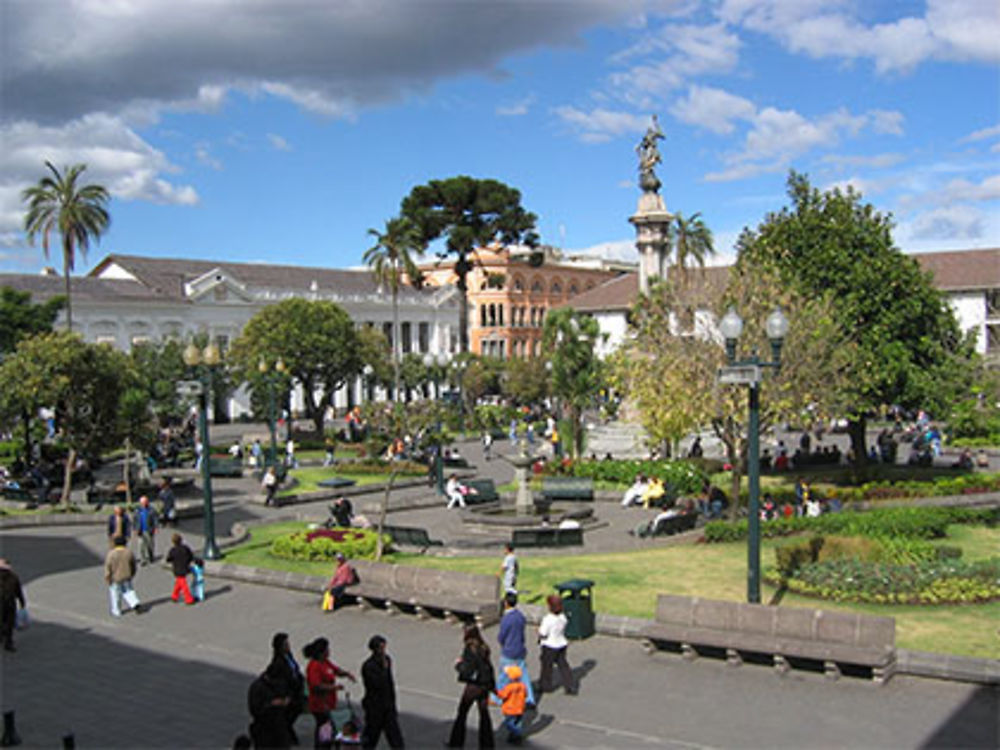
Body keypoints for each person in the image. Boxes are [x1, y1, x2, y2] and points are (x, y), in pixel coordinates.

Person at [446, 624, 496, 749]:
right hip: (485, 684)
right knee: (484, 714)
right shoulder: (484, 647)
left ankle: (456, 741)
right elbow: (488, 667)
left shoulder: (470, 649)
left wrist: (458, 665)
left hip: (474, 686)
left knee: (462, 712)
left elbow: (467, 670)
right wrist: (492, 685)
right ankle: (487, 745)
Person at [303, 637, 356, 749]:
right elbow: (316, 686)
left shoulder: (325, 662)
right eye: (327, 649)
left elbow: (335, 670)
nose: (329, 651)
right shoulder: (314, 666)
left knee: (328, 729)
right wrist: (333, 687)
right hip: (320, 705)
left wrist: (347, 674)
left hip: (329, 704)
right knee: (324, 730)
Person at [360, 634, 404, 749]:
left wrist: (393, 704)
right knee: (371, 736)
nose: (383, 651)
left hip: (387, 706)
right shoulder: (369, 666)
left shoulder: (387, 660)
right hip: (375, 707)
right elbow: (378, 684)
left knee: (395, 738)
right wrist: (384, 670)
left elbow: (390, 684)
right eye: (381, 648)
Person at [496, 593, 535, 708]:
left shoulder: (506, 619)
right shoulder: (520, 616)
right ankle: (529, 698)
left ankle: (499, 697)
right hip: (520, 649)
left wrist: (502, 643)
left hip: (509, 650)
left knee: (504, 675)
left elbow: (501, 636)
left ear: (506, 603)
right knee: (523, 675)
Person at [268, 632, 305, 745]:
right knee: (288, 715)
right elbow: (278, 680)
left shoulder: (289, 656)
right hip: (289, 693)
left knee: (295, 712)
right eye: (285, 644)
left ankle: (287, 734)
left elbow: (295, 669)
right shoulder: (278, 663)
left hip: (296, 691)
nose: (288, 646)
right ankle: (286, 735)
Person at [248, 661, 293, 750]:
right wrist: (271, 704)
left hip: (279, 726)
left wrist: (287, 700)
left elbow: (288, 694)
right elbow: (255, 709)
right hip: (263, 728)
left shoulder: (280, 684)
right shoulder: (258, 687)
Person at [538, 594, 576, 696]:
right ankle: (570, 685)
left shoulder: (548, 619)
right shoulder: (563, 617)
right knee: (563, 665)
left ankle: (545, 686)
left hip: (549, 645)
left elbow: (543, 633)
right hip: (561, 643)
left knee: (546, 667)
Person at [104, 536, 142, 616]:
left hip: (115, 578)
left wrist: (107, 576)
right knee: (129, 591)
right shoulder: (129, 552)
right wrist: (132, 573)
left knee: (115, 594)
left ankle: (116, 610)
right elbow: (133, 565)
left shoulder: (112, 554)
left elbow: (108, 566)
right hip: (127, 575)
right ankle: (135, 603)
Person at [495, 665, 527, 745]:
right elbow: (525, 694)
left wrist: (496, 692)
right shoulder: (522, 686)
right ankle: (514, 736)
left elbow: (502, 695)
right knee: (518, 722)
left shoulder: (509, 687)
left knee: (509, 723)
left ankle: (516, 734)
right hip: (520, 708)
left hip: (510, 708)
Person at [0, 558, 27, 652]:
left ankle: (7, 640)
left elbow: (18, 590)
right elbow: (19, 591)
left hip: (8, 603)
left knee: (7, 623)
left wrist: (22, 601)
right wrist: (22, 602)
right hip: (10, 603)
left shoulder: (14, 577)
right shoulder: (14, 577)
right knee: (8, 624)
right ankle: (8, 642)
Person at [166, 533, 196, 605]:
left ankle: (188, 599)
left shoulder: (173, 550)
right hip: (185, 567)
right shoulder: (185, 548)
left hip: (177, 568)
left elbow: (168, 559)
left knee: (182, 583)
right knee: (180, 582)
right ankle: (174, 596)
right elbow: (191, 556)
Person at [133, 495, 158, 565]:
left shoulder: (151, 510)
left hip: (149, 530)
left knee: (150, 545)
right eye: (142, 502)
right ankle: (143, 559)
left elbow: (155, 519)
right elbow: (135, 520)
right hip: (140, 530)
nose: (143, 503)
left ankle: (151, 556)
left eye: (145, 502)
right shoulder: (137, 511)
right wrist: (135, 529)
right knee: (141, 545)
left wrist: (155, 527)